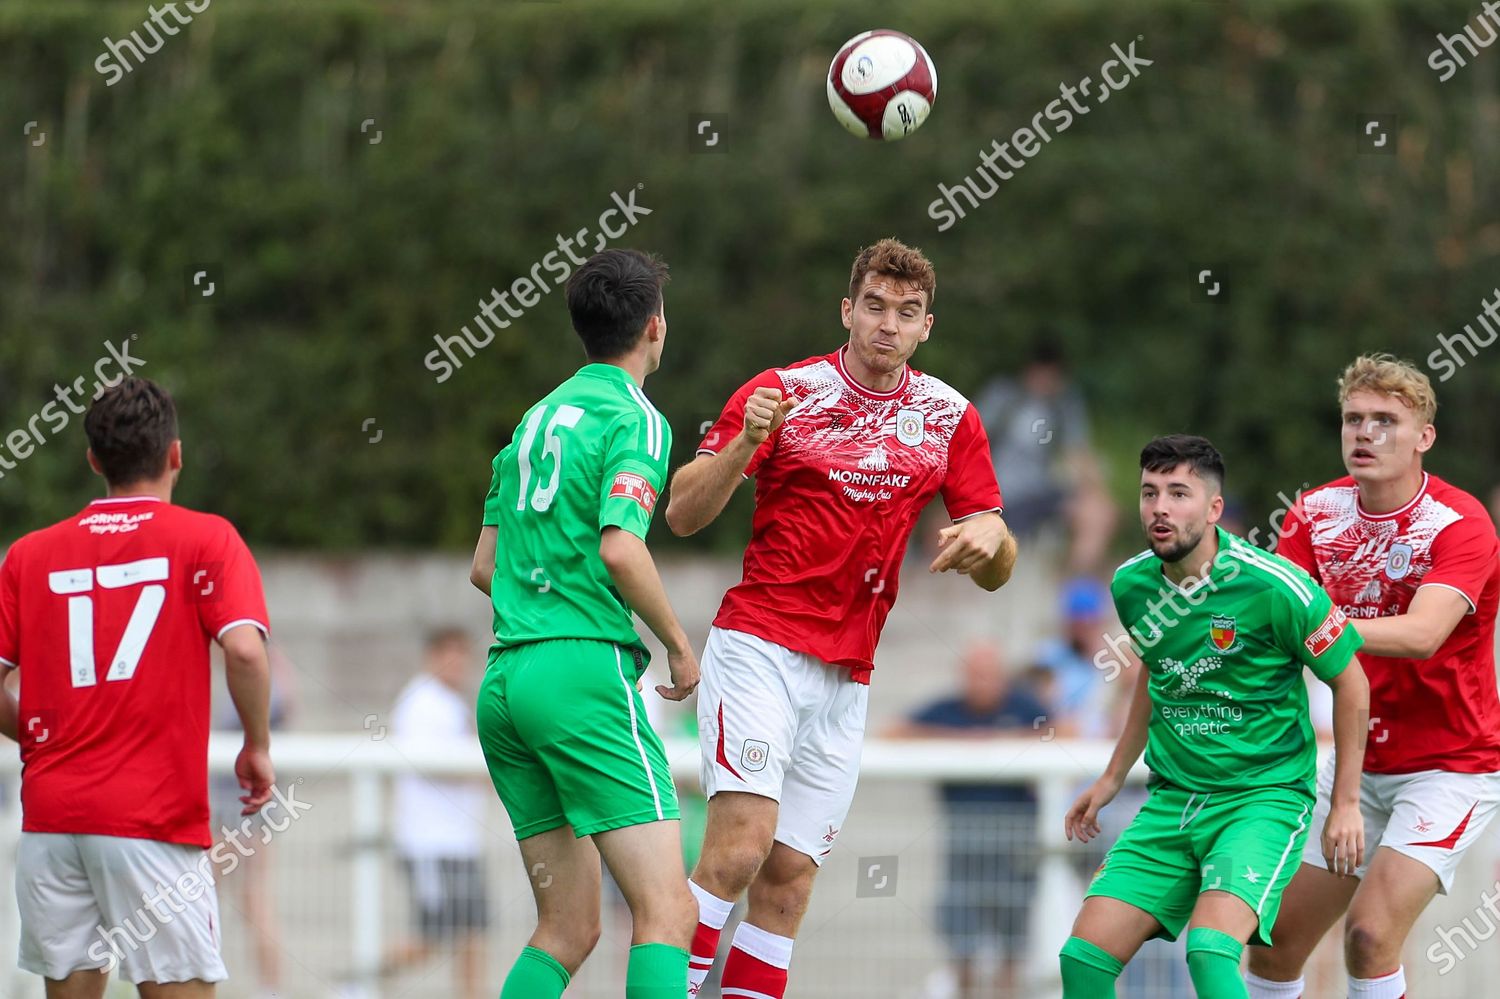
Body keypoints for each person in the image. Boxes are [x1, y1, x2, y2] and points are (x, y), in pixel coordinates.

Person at [666, 237, 1019, 998]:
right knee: (737, 848)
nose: (888, 324)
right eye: (875, 307)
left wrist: (993, 539)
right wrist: (747, 444)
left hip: (847, 675)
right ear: (847, 310)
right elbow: (683, 511)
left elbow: (997, 563)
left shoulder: (949, 415)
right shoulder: (781, 391)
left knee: (789, 881)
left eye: (908, 312)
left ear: (928, 325)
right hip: (759, 644)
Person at [1061, 434, 1369, 999]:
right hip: (1173, 801)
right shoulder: (1132, 585)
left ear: (1213, 508)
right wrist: (1110, 778)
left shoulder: (1275, 586)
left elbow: (1352, 682)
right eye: (1150, 493)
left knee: (1210, 950)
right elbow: (1159, 674)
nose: (1160, 507)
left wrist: (1345, 802)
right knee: (1083, 958)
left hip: (1260, 800)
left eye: (1179, 493)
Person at [470, 247, 700, 999]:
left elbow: (484, 567)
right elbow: (621, 548)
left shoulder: (534, 420)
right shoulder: (636, 417)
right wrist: (677, 644)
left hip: (506, 678)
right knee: (669, 908)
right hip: (581, 672)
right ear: (655, 329)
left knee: (568, 927)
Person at [0, 377, 275, 997]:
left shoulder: (29, 555)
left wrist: (42, 740)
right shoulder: (207, 539)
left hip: (52, 822)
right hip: (151, 820)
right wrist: (257, 745)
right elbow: (244, 650)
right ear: (175, 454)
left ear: (94, 460)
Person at [1246, 354, 1500, 999]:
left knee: (1368, 934)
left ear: (1424, 437)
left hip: (1451, 766)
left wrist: (1319, 628)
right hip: (1356, 759)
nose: (1365, 433)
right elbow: (1274, 617)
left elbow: (1420, 635)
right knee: (1271, 945)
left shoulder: (1460, 522)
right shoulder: (1314, 512)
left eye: (1386, 420)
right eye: (1354, 419)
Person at [887, 643, 1048, 999]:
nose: (983, 682)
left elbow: (1067, 730)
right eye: (976, 674)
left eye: (989, 674)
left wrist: (1003, 743)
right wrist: (963, 743)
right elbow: (894, 732)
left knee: (1013, 940)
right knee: (962, 941)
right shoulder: (948, 710)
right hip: (962, 844)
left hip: (1017, 843)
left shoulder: (1024, 706)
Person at [381, 628, 490, 999]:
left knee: (473, 933)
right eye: (450, 654)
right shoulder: (420, 702)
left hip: (461, 841)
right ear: (433, 656)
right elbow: (434, 764)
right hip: (430, 842)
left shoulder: (452, 702)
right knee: (432, 938)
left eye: (462, 655)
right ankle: (358, 984)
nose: (458, 664)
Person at [973, 341, 1115, 575]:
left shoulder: (1064, 403)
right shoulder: (1003, 396)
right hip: (994, 493)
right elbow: (967, 443)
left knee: (1098, 513)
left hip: (1042, 491)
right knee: (945, 523)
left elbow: (1078, 453)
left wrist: (1098, 493)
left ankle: (1073, 589)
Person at [209, 644, 296, 999]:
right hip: (240, 808)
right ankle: (265, 987)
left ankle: (267, 988)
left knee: (231, 896)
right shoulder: (274, 675)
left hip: (241, 810)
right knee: (239, 897)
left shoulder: (260, 676)